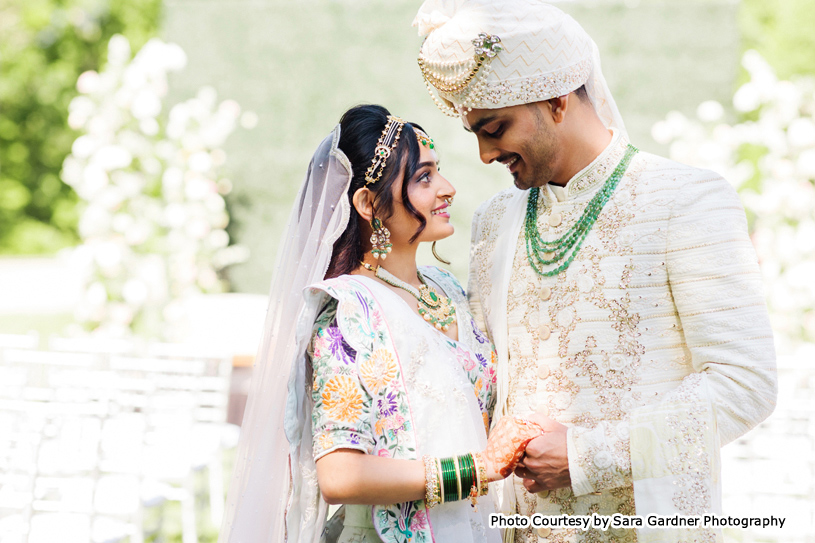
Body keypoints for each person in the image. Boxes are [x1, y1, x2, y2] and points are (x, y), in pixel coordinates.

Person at [413, 1, 777, 542]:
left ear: (558, 101)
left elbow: (745, 384)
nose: (486, 154)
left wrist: (586, 456)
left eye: (495, 128)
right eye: (475, 134)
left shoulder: (686, 200)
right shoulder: (493, 222)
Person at [218, 104, 546, 543]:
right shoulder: (348, 313)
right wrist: (477, 469)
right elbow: (340, 473)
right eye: (424, 178)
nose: (447, 189)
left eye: (438, 172)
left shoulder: (446, 290)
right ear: (369, 203)